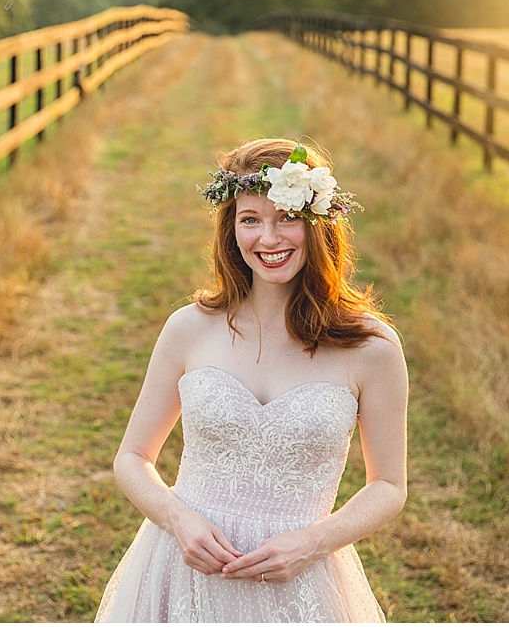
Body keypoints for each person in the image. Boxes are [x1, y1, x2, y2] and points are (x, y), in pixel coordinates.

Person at [95, 139, 408, 622]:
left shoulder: (373, 348)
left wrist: (312, 542)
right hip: (184, 573)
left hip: (301, 579)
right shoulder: (188, 328)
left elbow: (388, 484)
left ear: (319, 224)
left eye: (287, 217)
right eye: (250, 220)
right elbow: (132, 458)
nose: (268, 238)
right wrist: (178, 518)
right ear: (231, 229)